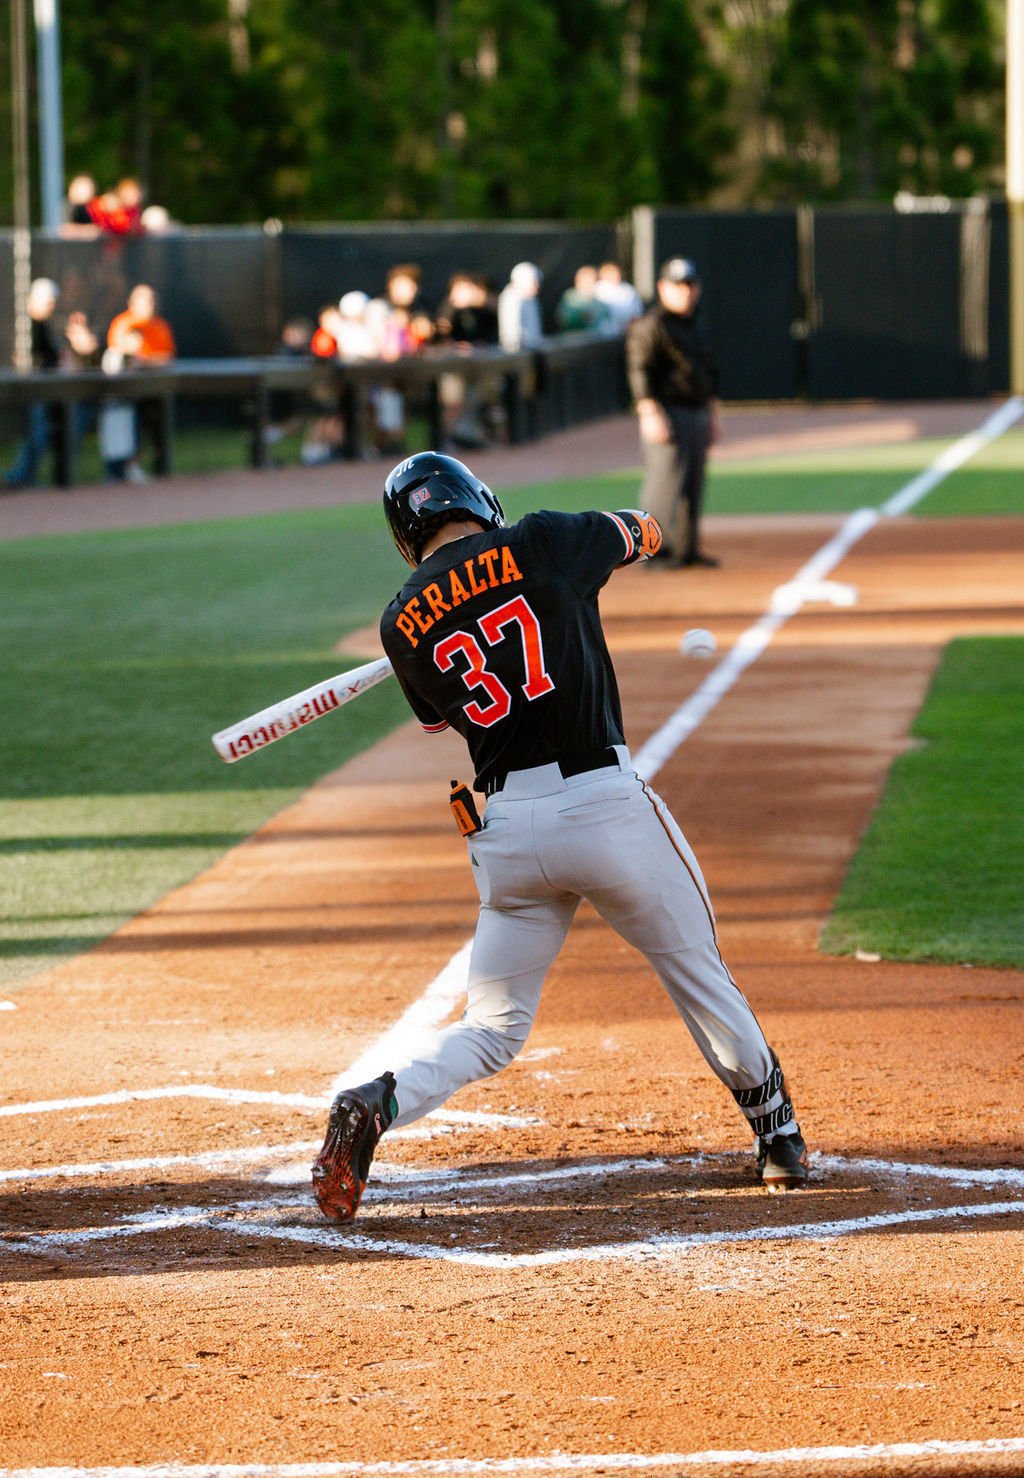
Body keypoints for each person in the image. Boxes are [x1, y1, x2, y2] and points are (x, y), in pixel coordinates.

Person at [312, 451, 810, 1223]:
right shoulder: (546, 540)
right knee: (697, 973)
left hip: (509, 835)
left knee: (491, 1028)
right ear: (476, 498)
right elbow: (644, 530)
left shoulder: (399, 623)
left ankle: (379, 1100)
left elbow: (446, 720)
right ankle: (777, 1138)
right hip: (606, 809)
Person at [626, 257, 721, 569]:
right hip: (667, 411)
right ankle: (654, 552)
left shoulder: (696, 324)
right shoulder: (652, 324)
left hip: (696, 410)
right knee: (664, 482)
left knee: (692, 482)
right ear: (662, 288)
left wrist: (712, 414)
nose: (685, 291)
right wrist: (649, 412)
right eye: (678, 285)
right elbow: (640, 369)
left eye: (690, 285)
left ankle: (685, 549)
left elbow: (707, 371)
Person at [104, 283, 176, 481]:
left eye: (152, 300)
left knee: (157, 420)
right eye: (145, 300)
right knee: (122, 425)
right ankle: (118, 470)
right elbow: (124, 358)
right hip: (122, 394)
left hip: (152, 390)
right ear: (132, 302)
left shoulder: (160, 325)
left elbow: (166, 358)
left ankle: (149, 468)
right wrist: (148, 360)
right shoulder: (124, 323)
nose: (150, 304)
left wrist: (148, 361)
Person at [555, 264, 616, 334]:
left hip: (597, 337)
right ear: (577, 282)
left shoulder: (599, 299)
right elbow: (563, 319)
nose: (588, 284)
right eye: (585, 281)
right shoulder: (570, 297)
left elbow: (607, 318)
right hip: (575, 336)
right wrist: (581, 316)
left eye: (591, 280)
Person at [498, 261, 544, 351]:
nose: (537, 286)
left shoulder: (531, 299)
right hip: (518, 354)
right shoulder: (511, 299)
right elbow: (512, 336)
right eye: (534, 283)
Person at [595, 261, 644, 330]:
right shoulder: (596, 290)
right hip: (601, 332)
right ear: (602, 275)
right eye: (609, 273)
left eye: (616, 273)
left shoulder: (628, 290)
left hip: (625, 330)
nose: (614, 276)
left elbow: (637, 313)